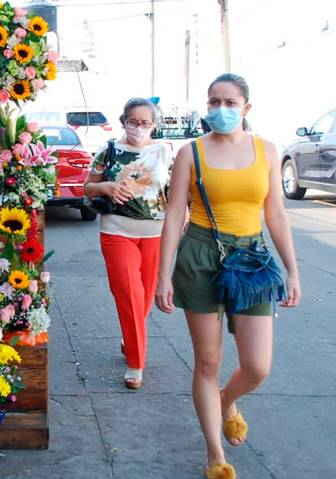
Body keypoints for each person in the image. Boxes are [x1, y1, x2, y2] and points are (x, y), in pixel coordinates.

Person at [155, 73, 301, 479]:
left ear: (246, 107)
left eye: (229, 102)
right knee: (208, 360)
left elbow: (275, 213)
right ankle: (215, 454)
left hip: (252, 260)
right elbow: (174, 216)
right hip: (200, 254)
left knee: (257, 366)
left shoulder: (267, 151)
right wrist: (163, 275)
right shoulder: (191, 152)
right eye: (213, 102)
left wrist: (292, 270)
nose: (220, 110)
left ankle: (226, 400)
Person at [84, 97, 173, 390]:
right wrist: (106, 187)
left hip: (155, 234)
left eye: (145, 123)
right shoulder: (108, 152)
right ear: (123, 121)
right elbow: (86, 188)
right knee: (130, 295)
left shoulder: (164, 153)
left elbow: (174, 191)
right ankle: (136, 363)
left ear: (154, 126)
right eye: (133, 122)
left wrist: (181, 218)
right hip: (116, 232)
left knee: (145, 298)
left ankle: (130, 339)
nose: (139, 128)